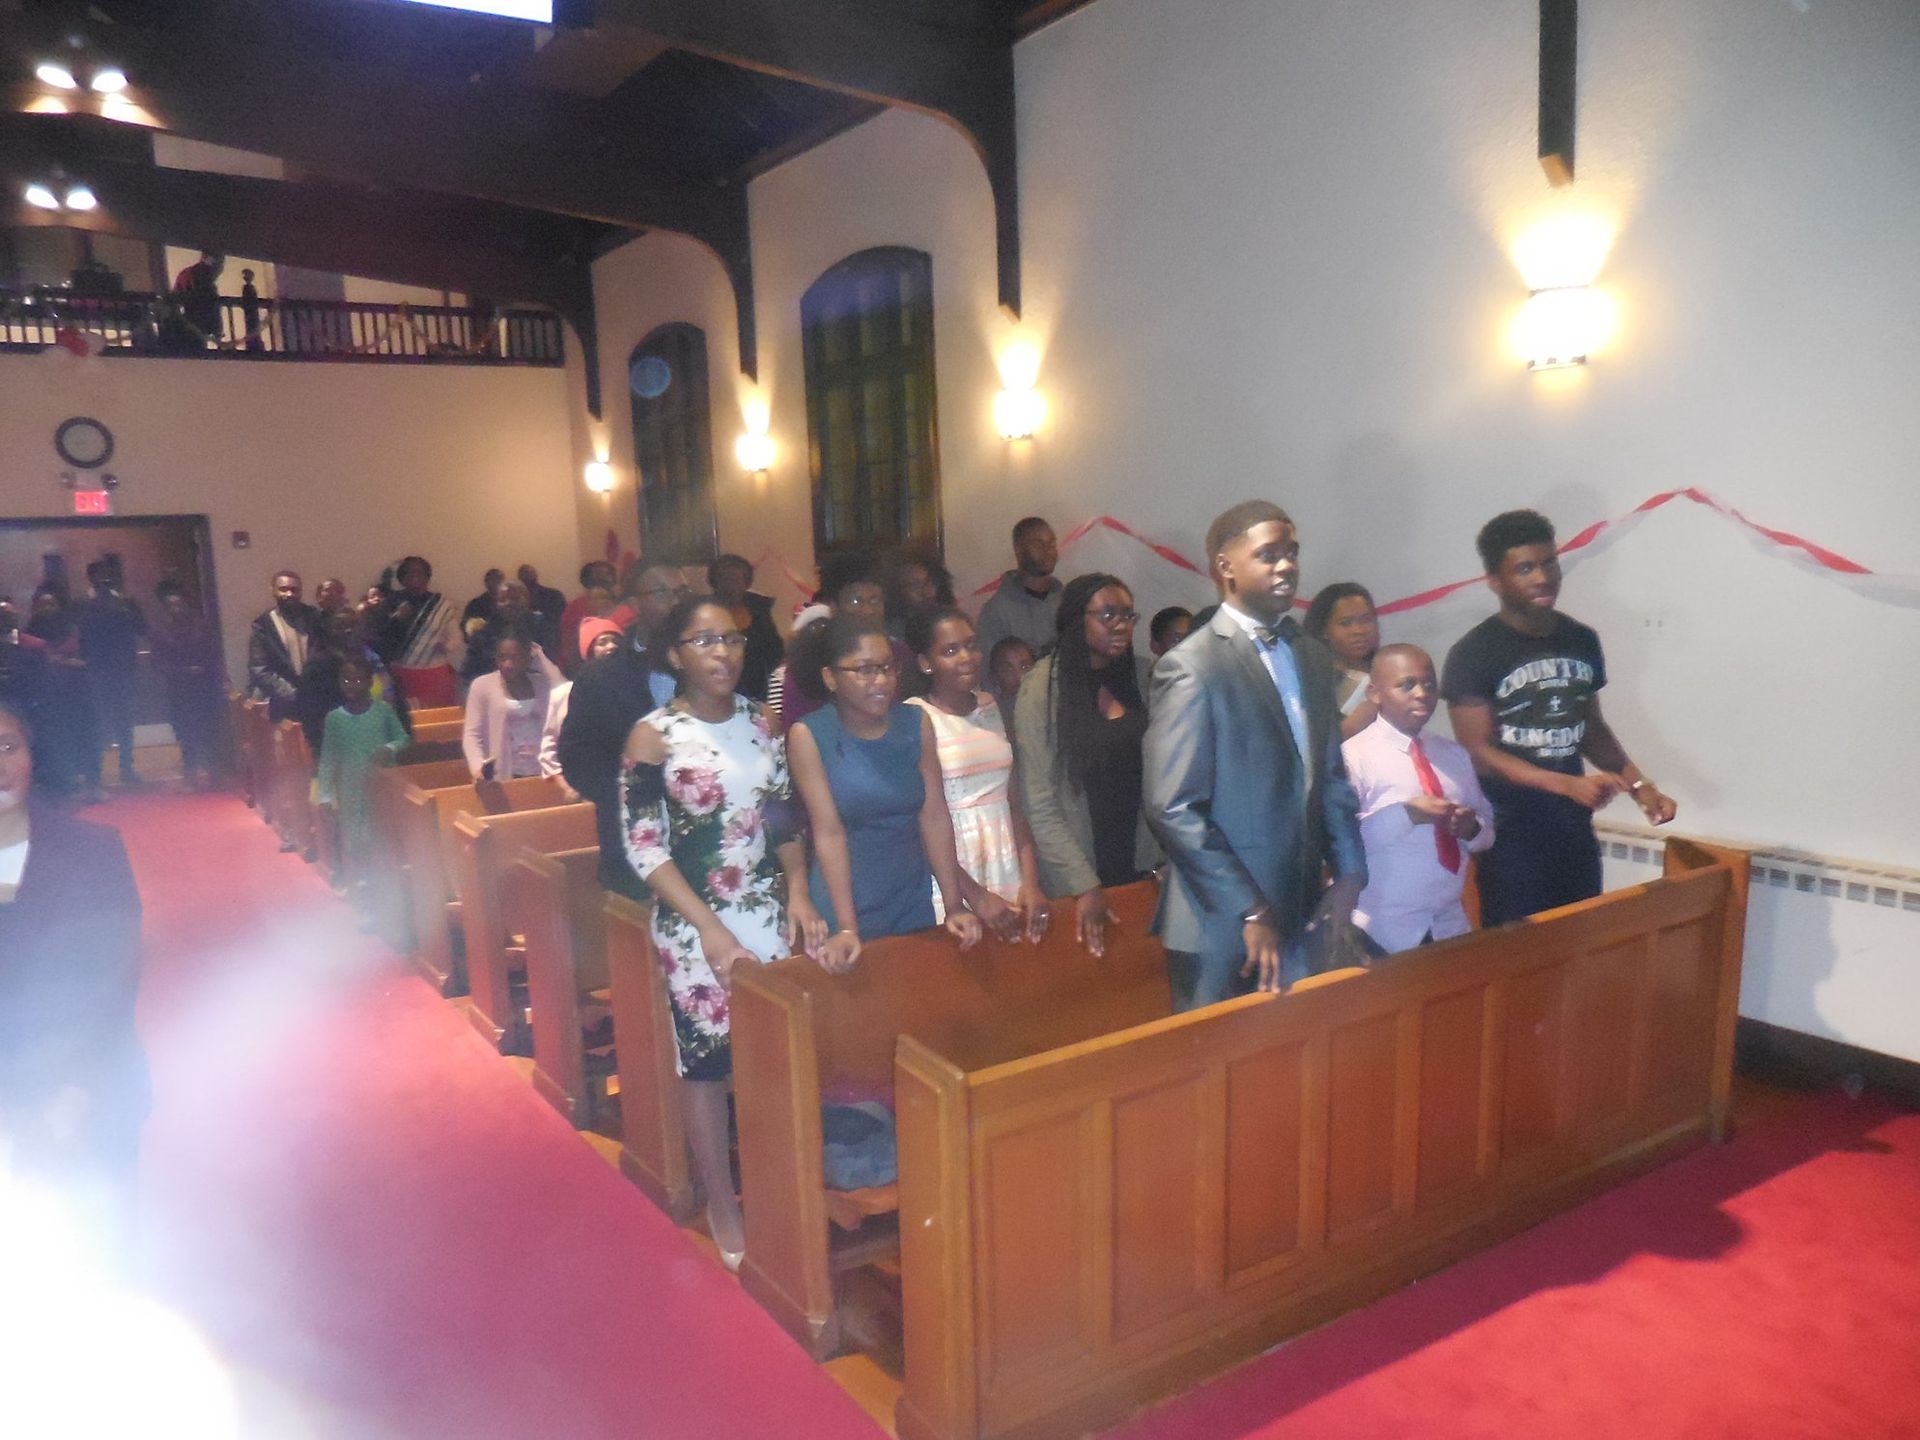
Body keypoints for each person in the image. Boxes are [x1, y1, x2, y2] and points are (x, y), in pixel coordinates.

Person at [618, 596, 826, 1269]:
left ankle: (775, 1186)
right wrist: (707, 928)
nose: (723, 653)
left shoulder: (761, 724)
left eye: (732, 639)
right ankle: (722, 1202)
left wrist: (799, 891)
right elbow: (645, 846)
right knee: (706, 1062)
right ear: (675, 654)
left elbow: (783, 819)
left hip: (766, 910)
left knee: (774, 1054)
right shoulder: (653, 735)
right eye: (704, 641)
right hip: (693, 919)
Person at [1144, 501, 1366, 1010]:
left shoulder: (1309, 653)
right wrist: (1249, 910)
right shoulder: (1193, 666)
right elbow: (1172, 806)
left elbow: (1329, 776)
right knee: (1216, 1078)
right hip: (1220, 924)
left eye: (1291, 553)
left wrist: (1350, 871)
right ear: (1226, 567)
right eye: (1268, 555)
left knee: (1293, 1071)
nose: (1286, 565)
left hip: (1301, 909)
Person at [1442, 509, 1677, 926]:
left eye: (1548, 563)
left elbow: (1592, 729)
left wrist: (1640, 786)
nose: (1541, 578)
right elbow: (1478, 752)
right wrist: (1566, 784)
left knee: (1578, 942)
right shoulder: (1473, 653)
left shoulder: (1581, 640)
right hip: (1509, 836)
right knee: (1520, 959)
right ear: (1496, 581)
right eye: (1525, 568)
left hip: (1573, 829)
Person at [0, 699, 147, 1261]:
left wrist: (69, 1096)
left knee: (100, 1261)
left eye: (8, 747)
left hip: (89, 1090)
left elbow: (112, 983)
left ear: (31, 755)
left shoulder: (91, 850)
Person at [786, 613, 988, 971]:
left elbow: (934, 815)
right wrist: (847, 926)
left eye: (887, 667)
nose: (881, 681)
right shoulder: (810, 734)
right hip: (843, 900)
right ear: (830, 677)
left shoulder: (914, 723)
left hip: (910, 895)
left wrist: (955, 905)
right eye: (864, 670)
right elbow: (828, 833)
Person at [1013, 573, 1161, 959]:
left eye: (1129, 615)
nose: (1122, 625)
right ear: (1078, 619)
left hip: (1141, 861)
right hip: (1078, 866)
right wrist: (1083, 884)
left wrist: (1164, 856)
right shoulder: (1043, 687)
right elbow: (1039, 800)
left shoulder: (1143, 677)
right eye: (1108, 615)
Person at [905, 607, 1047, 939]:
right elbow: (924, 822)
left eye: (971, 645)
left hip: (1005, 862)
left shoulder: (989, 706)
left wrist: (1031, 882)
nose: (967, 657)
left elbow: (1012, 804)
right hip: (953, 874)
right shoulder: (915, 717)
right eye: (950, 651)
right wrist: (974, 895)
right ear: (926, 662)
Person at [1343, 645, 1494, 953]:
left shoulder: (1453, 756)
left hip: (1449, 928)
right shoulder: (1353, 757)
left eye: (1429, 684)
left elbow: (1487, 833)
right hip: (1380, 932)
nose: (1422, 694)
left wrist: (1471, 829)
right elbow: (1344, 845)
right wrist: (1407, 814)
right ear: (1374, 693)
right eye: (1406, 685)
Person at [558, 601, 674, 903]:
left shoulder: (708, 666)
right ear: (640, 599)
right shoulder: (601, 676)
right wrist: (631, 792)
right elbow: (578, 756)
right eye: (662, 592)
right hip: (630, 836)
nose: (673, 600)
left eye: (681, 591)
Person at [315, 656, 409, 917]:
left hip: (381, 789)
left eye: (358, 679)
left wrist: (387, 748)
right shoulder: (335, 719)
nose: (352, 684)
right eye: (346, 679)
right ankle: (366, 898)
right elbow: (328, 758)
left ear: (369, 682)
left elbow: (402, 738)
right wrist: (324, 795)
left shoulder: (383, 712)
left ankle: (389, 898)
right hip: (351, 790)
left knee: (382, 841)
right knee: (357, 844)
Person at [74, 561, 148, 790]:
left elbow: (142, 629)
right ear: (91, 578)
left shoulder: (126, 603)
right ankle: (94, 776)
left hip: (123, 670)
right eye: (99, 576)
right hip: (97, 670)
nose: (104, 580)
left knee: (125, 722)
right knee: (97, 723)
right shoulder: (83, 604)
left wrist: (124, 610)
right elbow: (81, 635)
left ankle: (127, 768)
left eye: (107, 575)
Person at [149, 589, 224, 790]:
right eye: (171, 606)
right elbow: (157, 661)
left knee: (207, 729)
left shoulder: (200, 626)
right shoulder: (161, 631)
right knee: (184, 732)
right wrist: (180, 672)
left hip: (203, 686)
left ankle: (211, 769)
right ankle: (190, 770)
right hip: (178, 689)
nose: (176, 609)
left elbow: (213, 652)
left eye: (179, 604)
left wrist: (205, 669)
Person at [462, 628, 555, 783]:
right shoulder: (481, 686)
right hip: (505, 776)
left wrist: (541, 660)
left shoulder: (545, 684)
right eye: (502, 657)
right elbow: (472, 735)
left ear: (527, 657)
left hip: (544, 774)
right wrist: (478, 767)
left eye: (515, 657)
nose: (508, 664)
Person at [24, 588, 92, 797]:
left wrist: (59, 659)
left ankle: (80, 784)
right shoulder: (28, 632)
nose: (47, 609)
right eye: (42, 604)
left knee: (75, 738)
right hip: (42, 699)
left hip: (72, 695)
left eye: (51, 604)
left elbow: (82, 659)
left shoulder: (70, 629)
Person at [541, 618, 623, 788]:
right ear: (589, 650)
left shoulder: (634, 688)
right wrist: (567, 786)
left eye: (616, 641)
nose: (611, 646)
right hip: (585, 787)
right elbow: (549, 751)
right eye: (603, 642)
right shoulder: (563, 695)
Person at [377, 555, 464, 707]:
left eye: (419, 573)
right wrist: (397, 619)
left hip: (433, 673)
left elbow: (456, 636)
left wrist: (446, 646)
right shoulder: (391, 602)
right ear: (401, 578)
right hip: (402, 674)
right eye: (409, 573)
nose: (414, 577)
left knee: (433, 721)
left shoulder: (441, 605)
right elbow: (383, 639)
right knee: (406, 720)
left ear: (427, 576)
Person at [975, 517, 1064, 661]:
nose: (1048, 550)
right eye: (1038, 544)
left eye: (1051, 543)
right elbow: (989, 674)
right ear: (1018, 549)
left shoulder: (1067, 602)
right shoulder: (996, 612)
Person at [1304, 582, 1381, 740]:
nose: (1358, 631)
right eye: (1346, 623)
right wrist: (1355, 723)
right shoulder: (1310, 681)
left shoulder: (1388, 677)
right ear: (1324, 630)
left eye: (1366, 620)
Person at [707, 553, 784, 703]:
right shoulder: (706, 613)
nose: (730, 586)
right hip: (719, 689)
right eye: (724, 579)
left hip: (759, 691)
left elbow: (775, 649)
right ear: (714, 582)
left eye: (736, 580)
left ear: (747, 583)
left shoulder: (759, 611)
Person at [247, 570, 319, 723]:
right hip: (282, 703)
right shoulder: (263, 626)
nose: (289, 594)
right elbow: (259, 669)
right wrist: (293, 694)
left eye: (294, 590)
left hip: (315, 701)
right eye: (283, 589)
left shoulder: (314, 618)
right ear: (273, 590)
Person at [464, 579, 563, 684]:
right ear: (495, 604)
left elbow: (553, 662)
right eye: (502, 600)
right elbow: (468, 675)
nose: (508, 603)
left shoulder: (543, 627)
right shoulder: (483, 635)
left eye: (515, 598)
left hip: (540, 687)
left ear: (527, 599)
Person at [557, 561, 620, 676]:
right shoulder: (575, 608)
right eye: (602, 575)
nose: (609, 578)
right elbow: (569, 648)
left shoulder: (621, 606)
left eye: (610, 574)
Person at [170, 250, 224, 347]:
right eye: (220, 264)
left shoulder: (186, 273)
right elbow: (212, 304)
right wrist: (217, 331)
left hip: (189, 324)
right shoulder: (202, 276)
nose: (220, 269)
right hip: (195, 324)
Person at [516, 564, 566, 658]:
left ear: (536, 575)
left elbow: (560, 622)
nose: (527, 577)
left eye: (529, 573)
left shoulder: (553, 596)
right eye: (524, 575)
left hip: (551, 646)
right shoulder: (515, 604)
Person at [986, 635, 1035, 731]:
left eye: (1025, 667)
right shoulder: (994, 715)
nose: (1019, 677)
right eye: (1008, 669)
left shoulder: (1047, 706)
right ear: (994, 676)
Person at [462, 569, 505, 633]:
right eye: (493, 580)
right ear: (486, 583)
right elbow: (467, 631)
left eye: (499, 580)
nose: (496, 583)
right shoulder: (474, 606)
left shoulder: (510, 603)